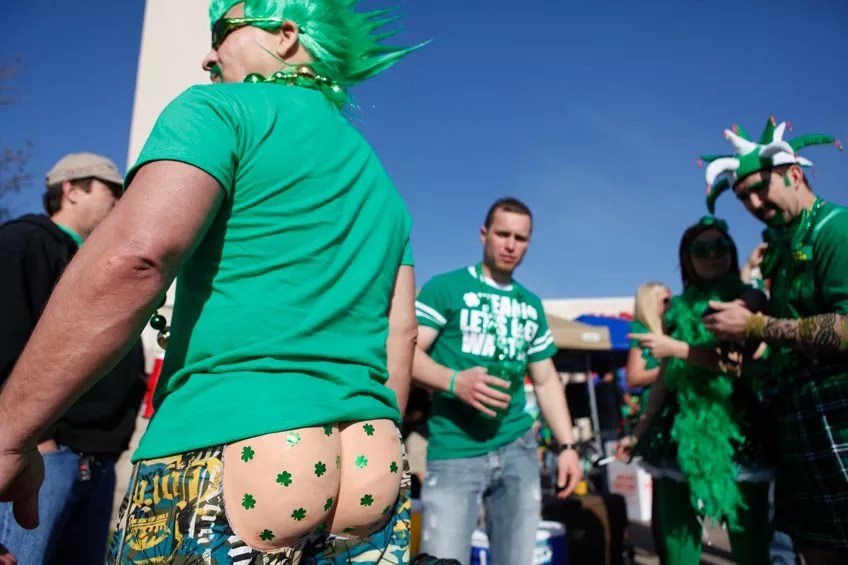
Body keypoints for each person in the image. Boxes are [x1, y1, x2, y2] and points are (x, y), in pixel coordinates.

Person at [0, 1, 422, 562]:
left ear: (287, 34)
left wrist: (10, 433)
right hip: (375, 466)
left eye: (221, 32)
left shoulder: (221, 112)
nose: (208, 54)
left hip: (242, 445)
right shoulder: (381, 185)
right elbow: (403, 335)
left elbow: (136, 259)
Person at [701, 117, 848, 564]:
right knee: (813, 548)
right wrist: (748, 303)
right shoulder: (780, 247)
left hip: (839, 411)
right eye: (744, 195)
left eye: (761, 187)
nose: (753, 201)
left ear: (795, 175)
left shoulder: (836, 230)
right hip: (798, 408)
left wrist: (755, 327)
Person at [412, 197, 583, 565]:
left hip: (518, 449)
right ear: (483, 234)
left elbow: (547, 380)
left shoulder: (531, 304)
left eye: (520, 238)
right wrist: (455, 381)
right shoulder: (446, 287)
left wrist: (568, 446)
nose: (510, 245)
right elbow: (404, 353)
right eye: (502, 234)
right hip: (455, 448)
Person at [0, 153, 147, 564]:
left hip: (99, 462)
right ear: (71, 188)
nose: (121, 201)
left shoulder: (94, 260)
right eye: (112, 189)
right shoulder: (23, 241)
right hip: (44, 458)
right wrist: (30, 436)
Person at [626, 216, 774, 565]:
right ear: (687, 258)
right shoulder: (676, 309)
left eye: (720, 247)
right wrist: (642, 429)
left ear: (732, 251)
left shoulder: (745, 302)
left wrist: (674, 347)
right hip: (681, 432)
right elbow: (665, 376)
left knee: (749, 541)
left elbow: (735, 364)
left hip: (739, 430)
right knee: (678, 542)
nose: (712, 255)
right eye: (701, 249)